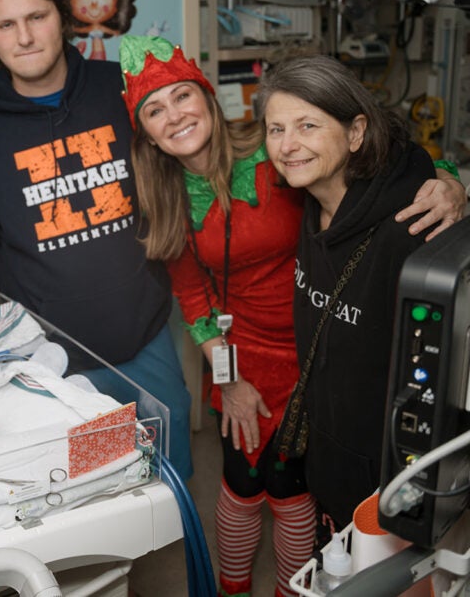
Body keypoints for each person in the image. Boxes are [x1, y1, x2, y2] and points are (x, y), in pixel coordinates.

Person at [122, 37, 464, 596]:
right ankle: (233, 589)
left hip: (320, 341)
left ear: (208, 97)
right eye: (155, 110)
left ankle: (291, 589)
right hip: (243, 353)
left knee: (295, 485)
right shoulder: (165, 194)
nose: (175, 115)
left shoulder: (277, 148)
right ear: (146, 131)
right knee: (241, 478)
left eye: (182, 96)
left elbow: (398, 164)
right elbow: (193, 299)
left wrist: (453, 186)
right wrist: (229, 382)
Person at [0, 0, 193, 479]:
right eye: (5, 25)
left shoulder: (122, 91)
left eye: (36, 17)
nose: (24, 37)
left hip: (146, 334)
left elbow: (193, 149)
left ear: (63, 17)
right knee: (87, 481)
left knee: (168, 474)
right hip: (49, 356)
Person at [258, 55, 439, 539]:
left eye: (308, 125)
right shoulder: (310, 197)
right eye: (276, 129)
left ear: (356, 133)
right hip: (329, 452)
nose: (288, 145)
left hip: (386, 476)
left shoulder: (411, 231)